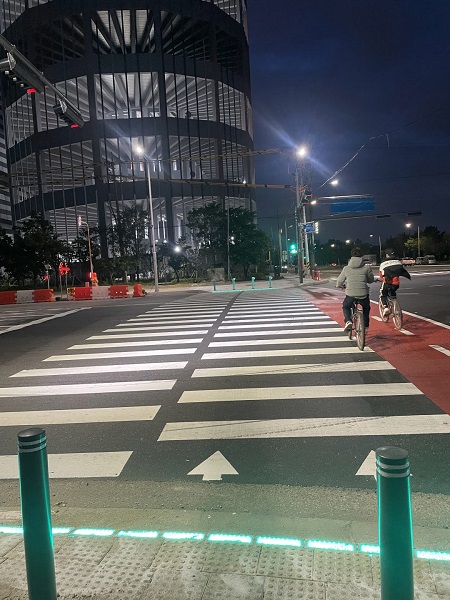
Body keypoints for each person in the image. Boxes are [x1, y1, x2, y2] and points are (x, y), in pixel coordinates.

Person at [336, 247, 375, 331]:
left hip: (351, 294)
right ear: (362, 256)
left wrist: (340, 286)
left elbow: (339, 282)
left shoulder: (346, 268)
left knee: (346, 306)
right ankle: (366, 325)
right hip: (363, 294)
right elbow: (371, 280)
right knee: (366, 308)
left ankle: (348, 321)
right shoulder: (367, 268)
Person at [379, 251, 411, 316]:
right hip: (396, 284)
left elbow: (381, 275)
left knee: (383, 294)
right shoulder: (398, 262)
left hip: (387, 283)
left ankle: (386, 308)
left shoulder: (383, 263)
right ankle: (395, 302)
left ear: (387, 255)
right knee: (392, 292)